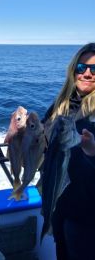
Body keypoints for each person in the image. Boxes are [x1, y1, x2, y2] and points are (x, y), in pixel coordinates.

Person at [41, 43, 95, 260]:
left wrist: (92, 153)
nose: (88, 74)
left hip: (88, 216)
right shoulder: (60, 105)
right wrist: (24, 135)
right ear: (74, 69)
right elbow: (44, 145)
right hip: (59, 207)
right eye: (82, 67)